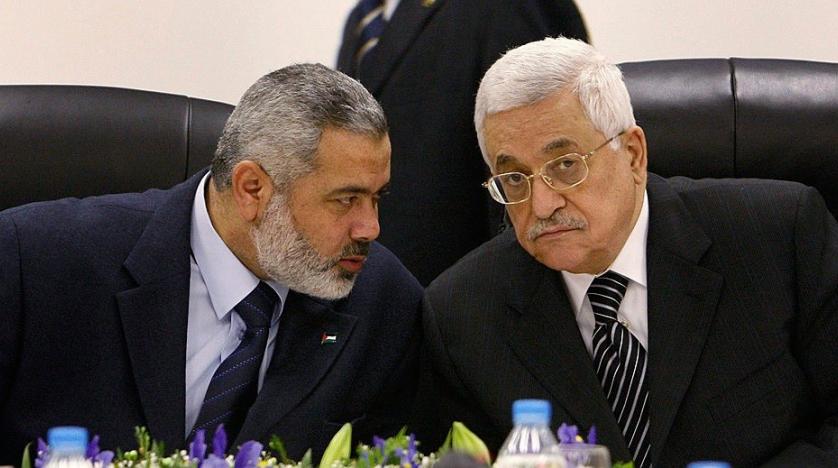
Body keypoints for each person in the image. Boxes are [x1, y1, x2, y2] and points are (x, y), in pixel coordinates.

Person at [415, 38, 838, 467]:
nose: (542, 205)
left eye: (565, 165)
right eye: (514, 178)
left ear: (633, 154)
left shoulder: (778, 238)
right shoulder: (463, 314)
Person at [0, 64, 422, 465]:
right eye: (346, 199)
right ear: (252, 189)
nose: (370, 228)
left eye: (377, 198)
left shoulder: (385, 302)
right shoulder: (32, 261)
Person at [337, 0, 589, 285]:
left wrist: (514, 297)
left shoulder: (506, 6)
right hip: (385, 290)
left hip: (472, 292)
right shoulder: (362, 20)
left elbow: (533, 160)